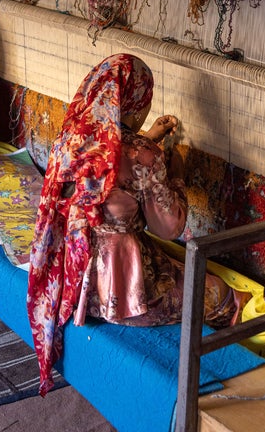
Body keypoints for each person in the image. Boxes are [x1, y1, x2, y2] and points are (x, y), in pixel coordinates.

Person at [26, 53, 238, 394]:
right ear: (134, 101)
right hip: (119, 288)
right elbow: (168, 228)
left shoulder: (69, 139)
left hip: (70, 275)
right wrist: (177, 175)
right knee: (220, 294)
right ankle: (227, 371)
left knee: (175, 265)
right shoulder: (143, 154)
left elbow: (112, 158)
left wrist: (147, 140)